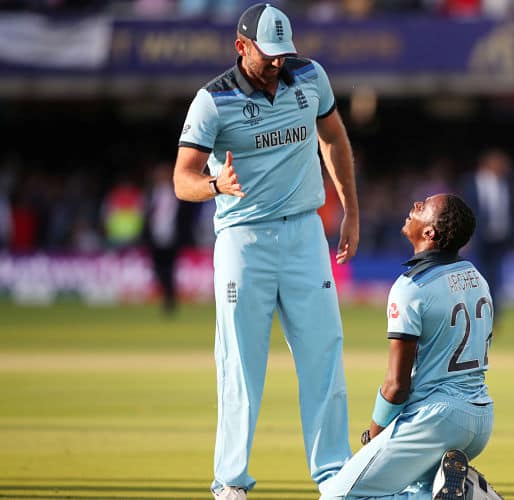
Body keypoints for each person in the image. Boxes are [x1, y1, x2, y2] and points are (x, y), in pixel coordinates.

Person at [172, 4, 359, 499]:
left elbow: (334, 138)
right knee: (240, 363)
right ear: (241, 46)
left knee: (325, 354)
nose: (278, 64)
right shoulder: (212, 101)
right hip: (244, 240)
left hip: (304, 235)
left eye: (284, 54)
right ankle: (231, 482)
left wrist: (351, 211)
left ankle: (334, 476)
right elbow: (181, 179)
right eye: (268, 55)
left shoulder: (310, 77)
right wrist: (216, 183)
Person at [320, 194, 501, 500]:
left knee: (337, 496)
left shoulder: (412, 287)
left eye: (424, 206)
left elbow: (396, 385)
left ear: (430, 233)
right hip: (481, 417)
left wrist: (376, 432)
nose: (416, 205)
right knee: (417, 492)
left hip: (436, 419)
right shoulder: (477, 278)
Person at [460, 149, 514, 319]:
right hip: (479, 238)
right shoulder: (472, 183)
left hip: (500, 238)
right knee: (478, 276)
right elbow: (466, 210)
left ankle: (493, 315)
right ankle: (476, 312)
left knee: (495, 278)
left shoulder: (507, 184)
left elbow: (511, 211)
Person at [144, 162, 191, 315]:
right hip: (156, 238)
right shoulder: (152, 193)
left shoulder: (176, 191)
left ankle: (170, 300)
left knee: (170, 270)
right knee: (158, 270)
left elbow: (183, 215)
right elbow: (147, 215)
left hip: (172, 237)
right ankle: (166, 295)